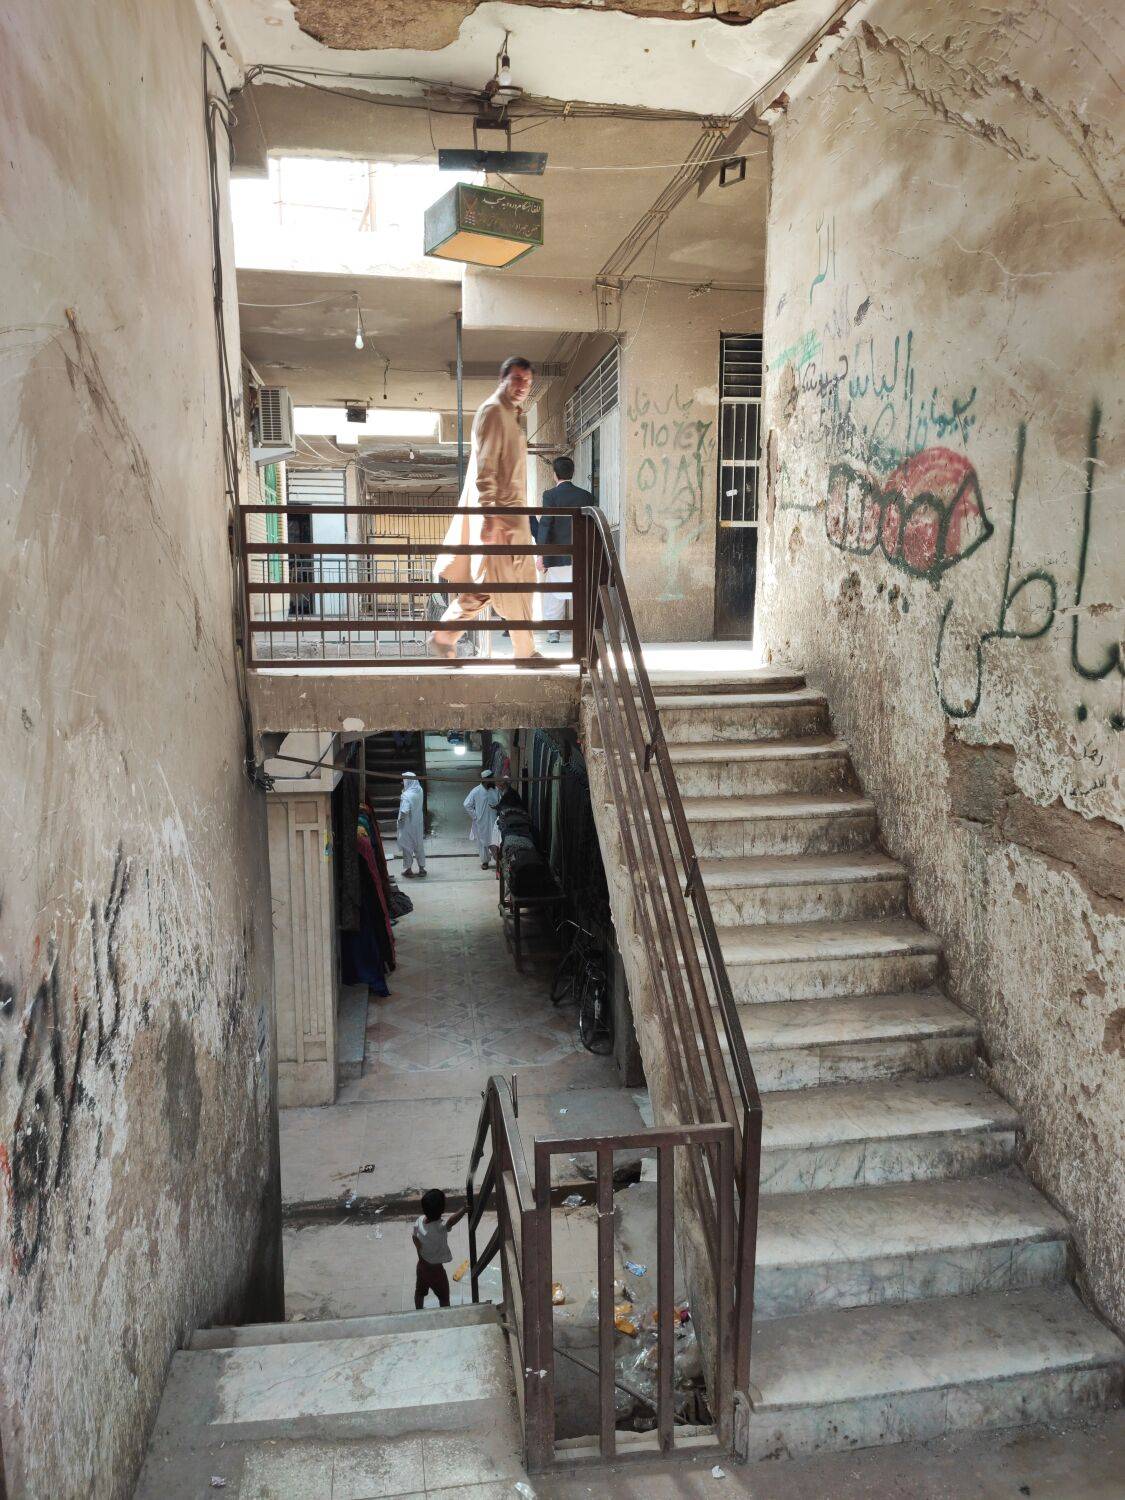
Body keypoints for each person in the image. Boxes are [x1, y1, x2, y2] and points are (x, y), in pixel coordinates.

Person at [429, 356, 542, 662]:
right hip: (501, 518)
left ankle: (446, 634)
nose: (522, 386)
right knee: (510, 583)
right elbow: (486, 466)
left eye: (527, 381)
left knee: (502, 583)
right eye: (516, 379)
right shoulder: (493, 411)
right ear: (502, 379)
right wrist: (489, 517)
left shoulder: (510, 415)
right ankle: (524, 651)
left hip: (512, 517)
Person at [533, 455, 596, 644]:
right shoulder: (586, 496)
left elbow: (546, 524)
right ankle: (584, 629)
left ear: (554, 474)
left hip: (558, 554)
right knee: (581, 591)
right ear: (573, 473)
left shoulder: (550, 495)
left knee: (554, 593)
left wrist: (541, 554)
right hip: (581, 553)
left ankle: (554, 632)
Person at [412, 1188, 466, 1309]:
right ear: (442, 1210)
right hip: (436, 1271)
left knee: (419, 1292)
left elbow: (414, 1237)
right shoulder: (440, 1227)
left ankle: (418, 1310)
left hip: (422, 1266)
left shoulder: (419, 1221)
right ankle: (445, 1316)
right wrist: (464, 1209)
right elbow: (451, 1221)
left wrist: (420, 1252)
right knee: (444, 1297)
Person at [463, 769, 500, 868]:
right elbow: (466, 804)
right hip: (481, 821)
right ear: (485, 780)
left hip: (493, 820)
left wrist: (498, 809)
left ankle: (498, 861)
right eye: (491, 778)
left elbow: (500, 801)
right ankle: (485, 861)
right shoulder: (476, 791)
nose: (493, 780)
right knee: (482, 842)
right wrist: (475, 816)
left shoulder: (495, 790)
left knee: (494, 840)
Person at [396, 770, 426, 878]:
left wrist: (400, 820)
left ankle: (408, 870)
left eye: (403, 781)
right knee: (419, 845)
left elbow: (405, 811)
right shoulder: (420, 790)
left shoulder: (406, 796)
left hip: (407, 825)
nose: (402, 783)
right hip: (418, 823)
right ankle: (422, 868)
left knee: (407, 847)